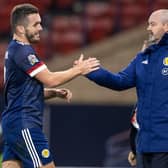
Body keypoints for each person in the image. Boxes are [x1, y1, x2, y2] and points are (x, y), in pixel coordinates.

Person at [1, 3, 100, 168]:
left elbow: (22, 92)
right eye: (35, 24)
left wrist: (52, 93)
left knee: (12, 165)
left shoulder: (14, 50)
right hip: (24, 123)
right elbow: (51, 78)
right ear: (20, 29)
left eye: (40, 23)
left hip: (14, 123)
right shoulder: (24, 52)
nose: (40, 28)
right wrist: (79, 69)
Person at [84, 9, 168, 168]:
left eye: (153, 24)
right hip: (144, 145)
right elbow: (120, 81)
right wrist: (92, 72)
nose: (148, 28)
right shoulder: (143, 57)